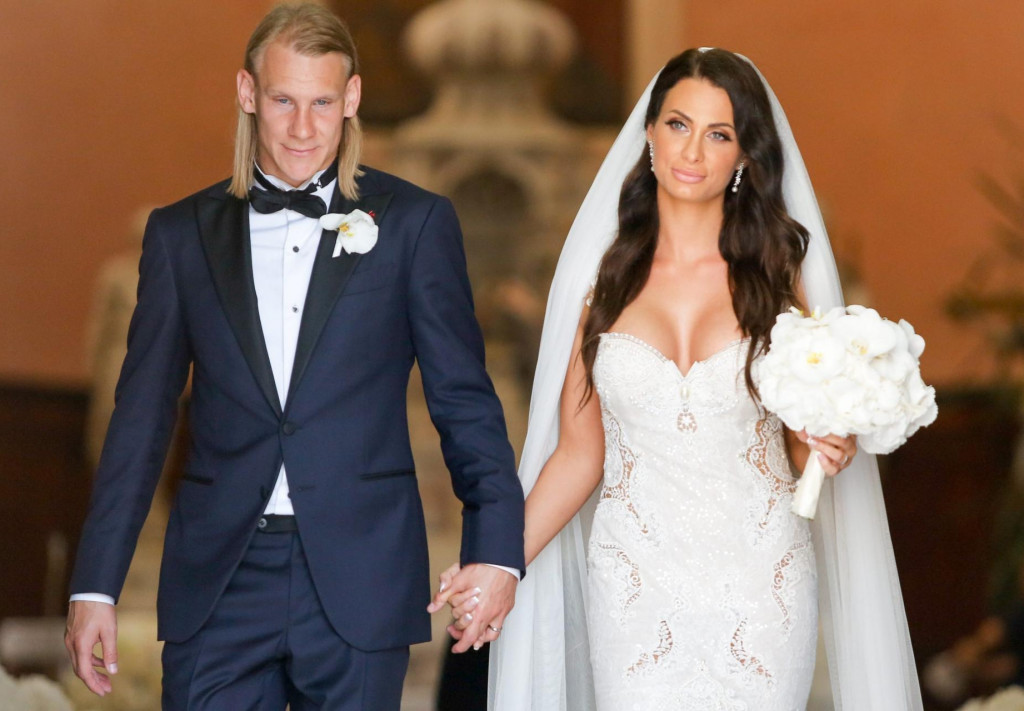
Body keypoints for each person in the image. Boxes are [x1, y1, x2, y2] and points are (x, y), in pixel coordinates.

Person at [63, 4, 524, 709]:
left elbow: (464, 402)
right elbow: (141, 418)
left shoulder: (415, 224)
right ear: (248, 93)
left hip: (362, 576)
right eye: (284, 101)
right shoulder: (180, 236)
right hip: (219, 581)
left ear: (352, 98)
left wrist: (495, 552)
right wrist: (96, 584)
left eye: (322, 103)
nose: (304, 128)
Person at [433, 48, 923, 709]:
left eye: (719, 134)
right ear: (649, 133)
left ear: (744, 154)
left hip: (762, 588)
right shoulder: (603, 282)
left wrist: (829, 446)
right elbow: (579, 454)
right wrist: (498, 561)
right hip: (633, 590)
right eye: (678, 124)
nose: (692, 151)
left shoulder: (782, 279)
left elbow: (802, 444)